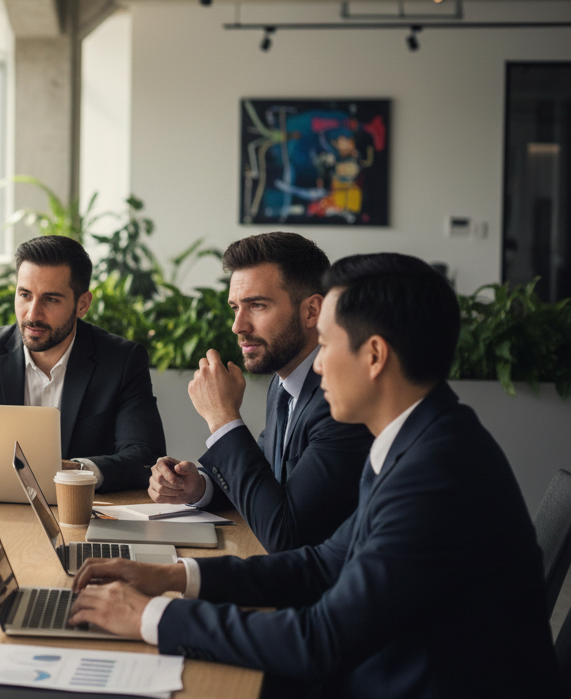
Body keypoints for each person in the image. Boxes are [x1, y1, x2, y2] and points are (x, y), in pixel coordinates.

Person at [68, 254, 561, 697]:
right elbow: (324, 564)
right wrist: (171, 576)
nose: (318, 366)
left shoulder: (436, 472)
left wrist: (150, 615)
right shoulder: (418, 438)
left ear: (374, 355)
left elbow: (320, 641)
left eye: (325, 345)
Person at [149, 232, 371, 551]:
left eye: (257, 305)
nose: (238, 326)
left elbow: (286, 535)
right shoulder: (284, 383)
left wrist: (222, 418)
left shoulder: (340, 401)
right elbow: (268, 480)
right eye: (235, 307)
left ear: (312, 312)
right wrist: (199, 487)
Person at [0, 235, 165, 492]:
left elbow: (145, 457)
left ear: (82, 304)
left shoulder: (120, 360)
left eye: (50, 299)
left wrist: (75, 472)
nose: (32, 314)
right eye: (25, 295)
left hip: (83, 513)